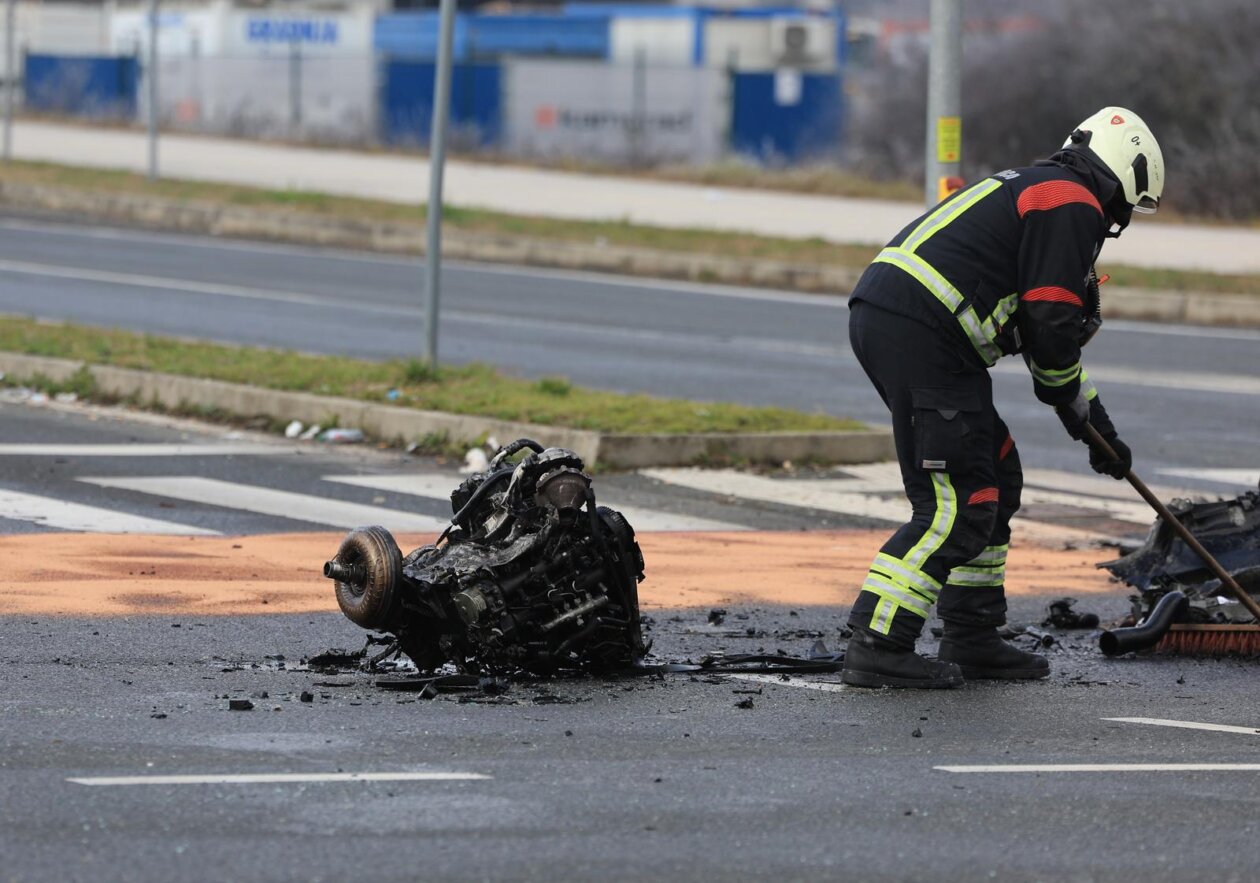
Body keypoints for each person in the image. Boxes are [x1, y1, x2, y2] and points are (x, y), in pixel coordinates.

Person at [840, 107, 1165, 689]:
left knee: (995, 473)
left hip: (910, 326)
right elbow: (1050, 323)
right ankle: (879, 643)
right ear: (1124, 180)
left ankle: (971, 634)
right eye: (1125, 213)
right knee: (955, 502)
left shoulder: (1041, 186)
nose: (1115, 226)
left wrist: (1096, 426)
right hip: (922, 332)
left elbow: (1046, 332)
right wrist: (1075, 408)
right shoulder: (1073, 203)